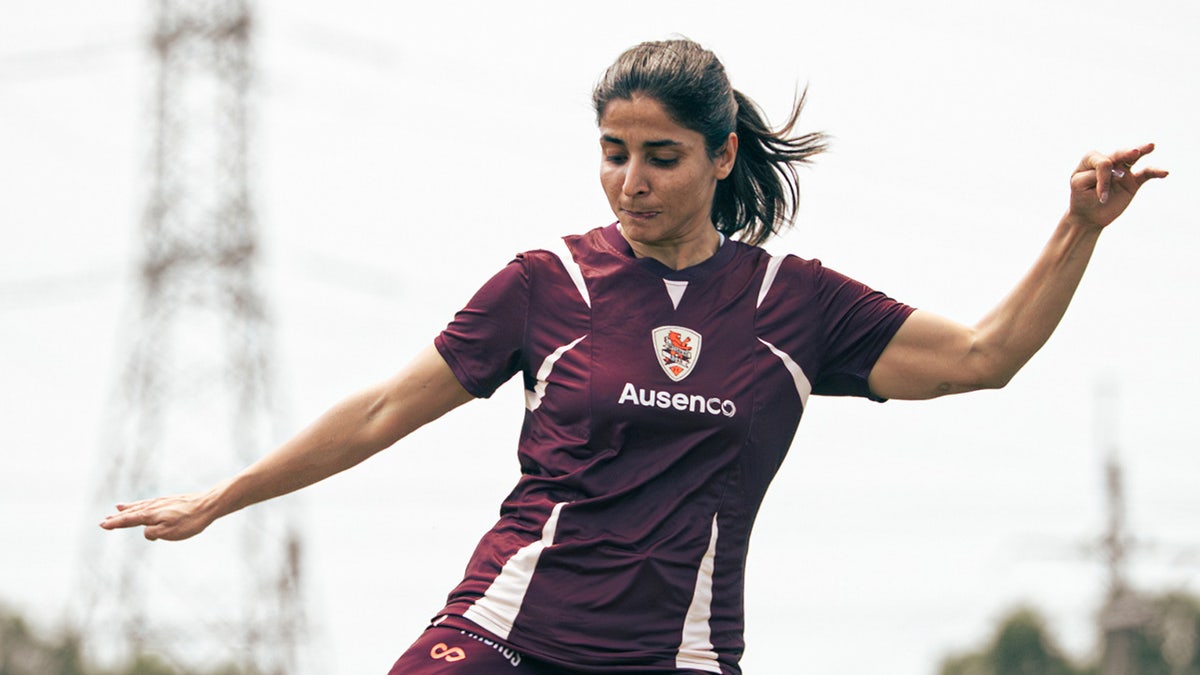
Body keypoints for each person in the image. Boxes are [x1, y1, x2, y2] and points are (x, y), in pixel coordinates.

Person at [100, 38, 1167, 674]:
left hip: (677, 654)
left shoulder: (793, 305)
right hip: (506, 633)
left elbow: (985, 354)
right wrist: (223, 497)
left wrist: (1079, 228)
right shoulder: (546, 282)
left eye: (661, 156)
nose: (631, 181)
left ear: (722, 156)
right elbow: (383, 410)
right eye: (613, 154)